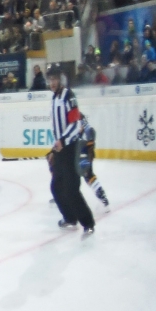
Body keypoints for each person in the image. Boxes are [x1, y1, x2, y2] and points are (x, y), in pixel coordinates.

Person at [48, 69, 95, 233]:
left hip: (71, 149)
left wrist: (63, 141)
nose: (52, 82)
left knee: (71, 188)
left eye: (55, 79)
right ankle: (70, 217)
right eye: (50, 79)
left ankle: (88, 223)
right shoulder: (54, 97)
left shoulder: (68, 96)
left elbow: (76, 124)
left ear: (60, 79)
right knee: (56, 186)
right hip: (61, 149)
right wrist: (55, 148)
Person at [78, 118, 110, 208]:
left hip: (82, 152)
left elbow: (89, 133)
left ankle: (63, 195)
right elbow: (91, 132)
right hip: (84, 152)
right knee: (88, 175)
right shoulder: (83, 123)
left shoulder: (79, 123)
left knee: (86, 175)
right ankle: (101, 194)